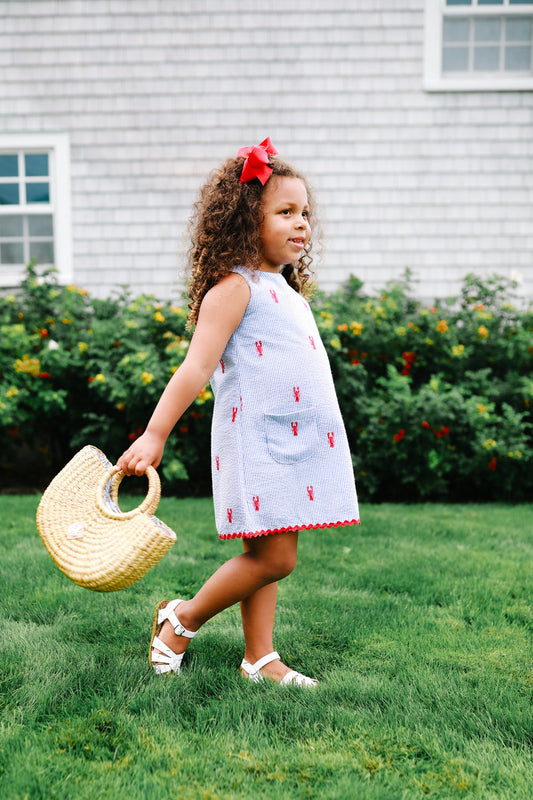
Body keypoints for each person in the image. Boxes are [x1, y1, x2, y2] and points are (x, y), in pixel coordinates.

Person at [115, 138, 359, 687]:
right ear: (248, 220)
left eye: (306, 214)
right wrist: (155, 434)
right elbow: (196, 368)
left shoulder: (285, 290)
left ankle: (259, 657)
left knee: (270, 544)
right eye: (286, 212)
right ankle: (181, 619)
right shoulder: (233, 289)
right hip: (258, 440)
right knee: (275, 559)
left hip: (293, 440)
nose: (302, 225)